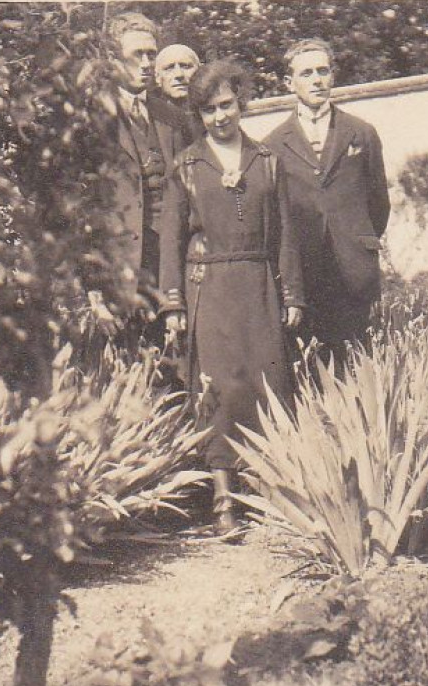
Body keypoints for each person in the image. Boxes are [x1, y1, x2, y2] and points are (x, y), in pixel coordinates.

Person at [160, 60, 304, 535]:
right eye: (208, 110)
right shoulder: (185, 166)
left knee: (266, 383)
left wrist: (292, 294)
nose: (220, 116)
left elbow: (284, 234)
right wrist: (173, 304)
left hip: (259, 283)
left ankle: (269, 489)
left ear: (241, 102)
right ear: (197, 115)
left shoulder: (267, 160)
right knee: (218, 389)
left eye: (227, 105)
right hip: (211, 287)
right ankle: (224, 500)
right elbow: (170, 241)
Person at [266, 38, 390, 373]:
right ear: (289, 83)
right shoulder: (273, 145)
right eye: (307, 73)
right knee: (312, 365)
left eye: (323, 70)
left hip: (352, 267)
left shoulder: (361, 133)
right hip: (307, 270)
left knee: (359, 362)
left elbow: (379, 203)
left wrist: (356, 239)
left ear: (333, 76)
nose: (317, 79)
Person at [105, 12, 186, 304]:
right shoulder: (92, 116)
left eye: (151, 54)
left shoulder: (173, 118)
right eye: (136, 54)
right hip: (121, 264)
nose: (146, 64)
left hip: (171, 262)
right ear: (112, 59)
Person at [154, 43, 203, 144]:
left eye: (186, 66)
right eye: (169, 68)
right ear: (157, 77)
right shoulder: (151, 122)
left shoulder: (216, 115)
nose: (179, 75)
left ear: (200, 71)